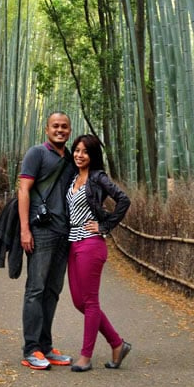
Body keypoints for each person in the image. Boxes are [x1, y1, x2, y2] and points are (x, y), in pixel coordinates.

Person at [66, 134, 132, 372]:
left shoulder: (98, 177)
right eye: (76, 150)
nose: (79, 155)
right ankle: (117, 343)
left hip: (91, 243)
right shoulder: (73, 177)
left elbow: (123, 199)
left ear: (93, 156)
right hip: (72, 243)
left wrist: (104, 226)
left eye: (85, 151)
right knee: (78, 301)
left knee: (90, 301)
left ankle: (85, 356)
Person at [17, 111, 75, 369]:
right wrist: (25, 229)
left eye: (64, 127)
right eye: (55, 126)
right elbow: (23, 190)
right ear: (47, 129)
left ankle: (46, 347)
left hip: (65, 233)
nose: (60, 130)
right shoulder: (36, 153)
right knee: (36, 289)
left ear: (69, 130)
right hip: (41, 231)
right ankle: (31, 349)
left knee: (52, 291)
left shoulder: (73, 158)